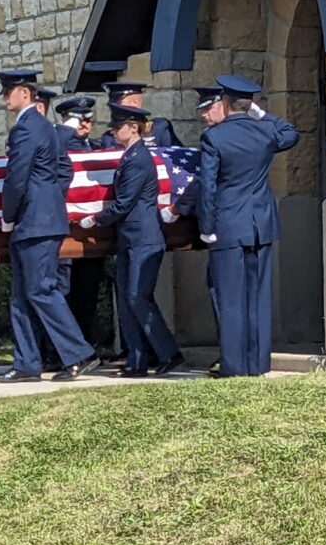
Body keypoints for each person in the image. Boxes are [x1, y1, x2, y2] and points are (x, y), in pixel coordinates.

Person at [0, 67, 100, 383]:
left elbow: (17, 177)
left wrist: (8, 214)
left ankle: (80, 353)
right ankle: (27, 362)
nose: (3, 98)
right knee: (22, 295)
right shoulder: (49, 130)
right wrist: (51, 197)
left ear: (24, 94)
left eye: (7, 91)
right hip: (43, 219)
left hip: (33, 222)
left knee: (41, 290)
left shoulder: (26, 129)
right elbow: (64, 170)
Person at [198, 75, 299, 378]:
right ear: (249, 104)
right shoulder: (265, 132)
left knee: (230, 297)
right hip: (261, 225)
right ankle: (258, 364)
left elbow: (208, 188)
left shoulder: (214, 138)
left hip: (228, 225)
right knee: (258, 297)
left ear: (225, 104)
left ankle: (233, 365)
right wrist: (262, 114)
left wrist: (206, 226)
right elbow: (291, 133)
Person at [80, 103, 183, 377]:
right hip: (129, 238)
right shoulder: (129, 156)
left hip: (144, 238)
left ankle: (169, 352)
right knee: (126, 299)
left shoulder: (139, 159)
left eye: (118, 127)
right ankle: (136, 361)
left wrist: (95, 219)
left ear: (133, 127)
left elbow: (125, 202)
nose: (113, 131)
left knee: (138, 297)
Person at [160, 85, 224, 371]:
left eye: (209, 109)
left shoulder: (215, 138)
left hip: (222, 226)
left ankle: (231, 352)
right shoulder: (253, 132)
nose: (205, 117)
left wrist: (179, 209)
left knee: (221, 289)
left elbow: (205, 183)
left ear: (224, 105)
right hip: (250, 224)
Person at [98, 82, 181, 149]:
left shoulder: (159, 129)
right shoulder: (109, 137)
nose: (113, 107)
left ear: (135, 103)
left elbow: (175, 158)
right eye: (112, 104)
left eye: (118, 103)